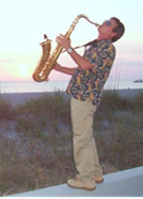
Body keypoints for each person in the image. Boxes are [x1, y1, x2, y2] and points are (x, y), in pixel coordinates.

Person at [54, 17, 125, 191]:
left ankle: (86, 179)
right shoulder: (97, 46)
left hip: (84, 97)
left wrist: (68, 48)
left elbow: (84, 65)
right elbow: (81, 70)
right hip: (82, 94)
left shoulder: (107, 47)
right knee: (86, 136)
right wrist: (58, 68)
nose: (104, 22)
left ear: (113, 33)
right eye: (106, 21)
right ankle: (95, 173)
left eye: (109, 24)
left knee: (81, 137)